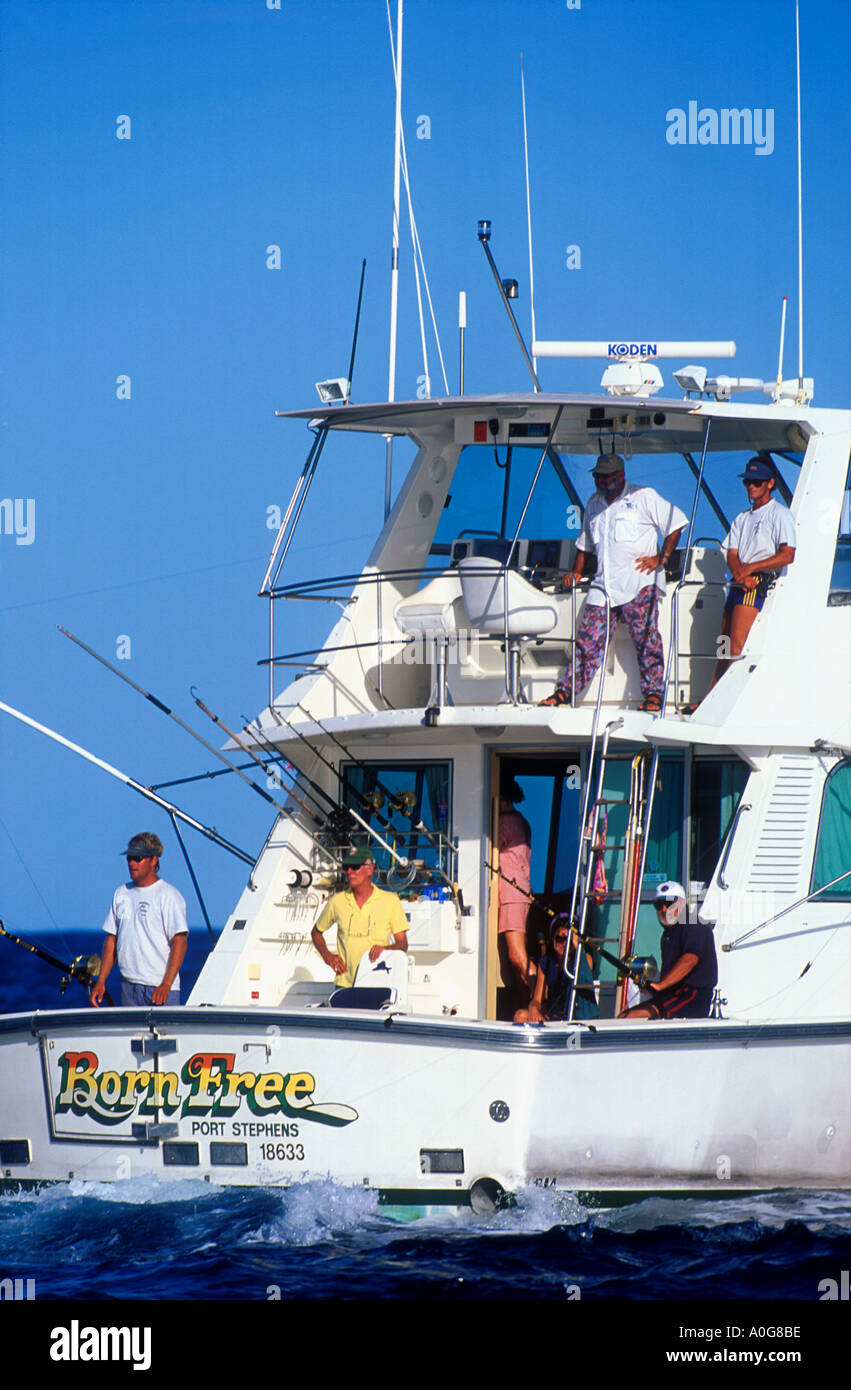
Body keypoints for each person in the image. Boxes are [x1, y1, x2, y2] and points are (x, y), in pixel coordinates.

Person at [541, 454, 687, 713]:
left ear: (620, 476)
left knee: (645, 637)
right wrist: (576, 572)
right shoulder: (593, 504)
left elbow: (676, 522)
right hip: (604, 584)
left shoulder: (644, 496)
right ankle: (565, 691)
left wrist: (661, 558)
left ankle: (654, 694)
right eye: (597, 476)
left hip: (639, 581)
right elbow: (585, 544)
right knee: (588, 639)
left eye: (605, 476)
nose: (599, 480)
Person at [683, 455, 796, 714]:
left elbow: (787, 554)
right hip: (738, 583)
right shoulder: (742, 518)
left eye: (756, 482)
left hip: (758, 582)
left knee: (735, 645)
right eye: (748, 482)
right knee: (722, 644)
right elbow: (731, 552)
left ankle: (727, 703)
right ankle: (711, 698)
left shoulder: (780, 515)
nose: (751, 487)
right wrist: (739, 573)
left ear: (769, 483)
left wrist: (750, 570)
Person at [91, 832, 188, 1007]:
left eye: (138, 858)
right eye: (129, 858)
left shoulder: (168, 895)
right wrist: (101, 980)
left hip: (159, 989)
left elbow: (179, 942)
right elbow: (112, 940)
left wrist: (166, 984)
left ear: (154, 860)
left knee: (163, 1034)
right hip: (128, 988)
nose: (132, 863)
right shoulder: (121, 893)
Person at [311, 847, 408, 988]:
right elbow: (316, 932)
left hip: (377, 986)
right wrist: (328, 956)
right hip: (344, 986)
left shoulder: (391, 901)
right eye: (346, 867)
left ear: (370, 869)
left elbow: (402, 945)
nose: (349, 872)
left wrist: (385, 950)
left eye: (355, 867)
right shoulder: (336, 901)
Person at [619, 880, 717, 1019]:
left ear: (682, 903)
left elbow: (690, 959)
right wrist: (652, 988)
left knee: (631, 1017)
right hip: (672, 996)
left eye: (669, 903)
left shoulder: (693, 924)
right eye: (659, 905)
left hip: (692, 999)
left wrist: (660, 985)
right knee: (623, 1016)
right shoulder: (668, 934)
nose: (664, 909)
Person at [514, 916, 598, 1024]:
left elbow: (583, 975)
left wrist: (576, 944)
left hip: (577, 1015)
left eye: (568, 940)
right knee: (520, 1016)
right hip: (555, 1017)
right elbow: (537, 1000)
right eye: (560, 939)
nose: (564, 944)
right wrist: (533, 1009)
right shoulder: (546, 962)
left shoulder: (585, 959)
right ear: (553, 939)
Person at [497, 773, 534, 1003]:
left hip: (512, 892)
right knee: (514, 957)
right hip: (520, 889)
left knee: (517, 956)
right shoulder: (522, 821)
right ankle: (527, 1002)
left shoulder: (504, 821)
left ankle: (539, 998)